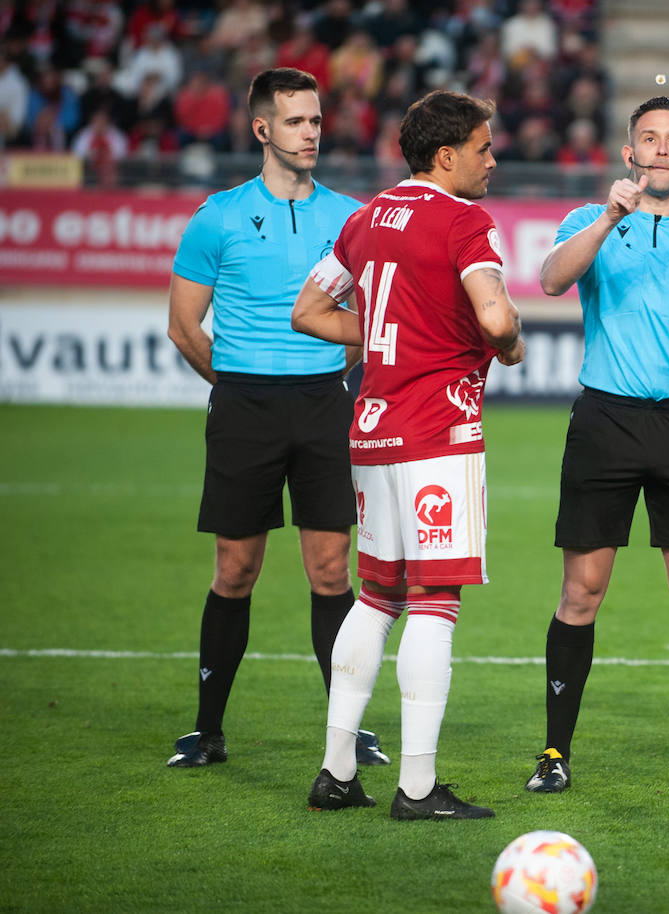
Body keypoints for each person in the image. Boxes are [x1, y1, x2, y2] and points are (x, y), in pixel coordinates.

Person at [291, 89, 525, 820]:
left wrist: (387, 337)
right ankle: (418, 787)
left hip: (371, 425)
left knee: (376, 597)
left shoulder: (365, 218)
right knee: (434, 600)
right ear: (447, 156)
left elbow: (308, 311)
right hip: (437, 431)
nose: (493, 160)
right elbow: (494, 315)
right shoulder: (465, 221)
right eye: (484, 148)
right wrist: (510, 342)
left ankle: (335, 772)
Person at [524, 96, 669, 796]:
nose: (660, 148)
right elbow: (551, 280)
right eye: (648, 138)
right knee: (582, 591)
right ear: (629, 154)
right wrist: (608, 218)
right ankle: (554, 754)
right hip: (605, 422)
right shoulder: (588, 220)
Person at [165, 67, 387, 770]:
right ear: (262, 129)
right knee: (236, 570)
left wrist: (325, 376)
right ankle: (207, 731)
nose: (311, 132)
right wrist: (238, 381)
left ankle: (346, 734)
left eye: (316, 120)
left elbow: (370, 320)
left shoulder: (351, 217)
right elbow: (183, 326)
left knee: (332, 570)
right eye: (295, 121)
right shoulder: (218, 216)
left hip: (325, 406)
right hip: (245, 409)